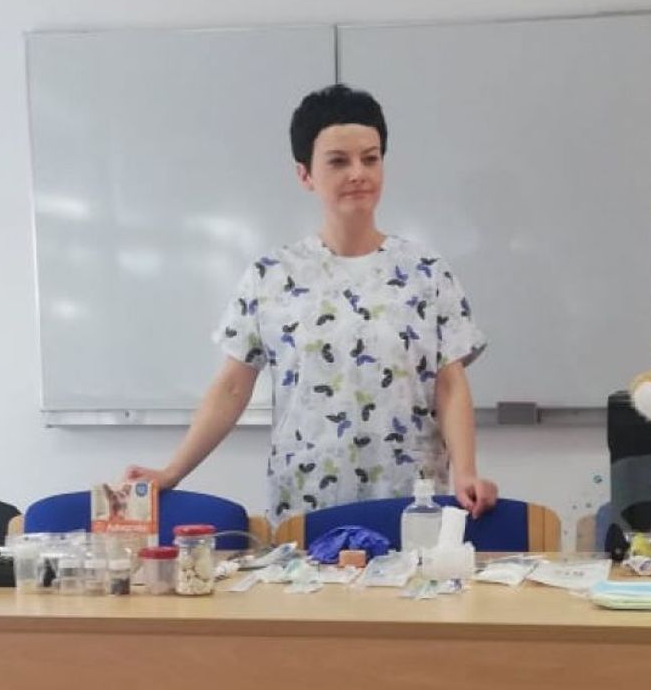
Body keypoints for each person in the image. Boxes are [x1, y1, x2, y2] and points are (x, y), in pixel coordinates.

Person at [125, 84, 498, 522]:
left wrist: (466, 472)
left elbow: (449, 383)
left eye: (370, 159)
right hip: (305, 504)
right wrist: (172, 471)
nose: (358, 173)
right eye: (338, 161)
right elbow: (231, 387)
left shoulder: (427, 271)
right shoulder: (272, 275)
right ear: (305, 175)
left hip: (408, 501)